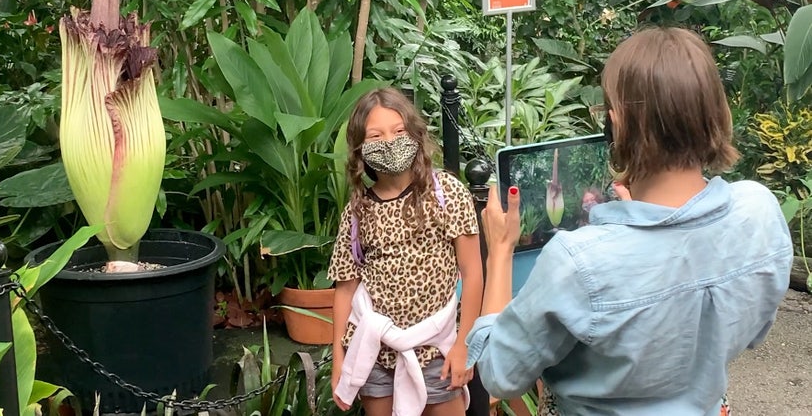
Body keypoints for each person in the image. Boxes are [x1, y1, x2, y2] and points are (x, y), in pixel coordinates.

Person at [467, 27, 793, 415]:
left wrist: (501, 250)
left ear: (618, 123)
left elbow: (500, 375)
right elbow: (750, 330)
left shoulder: (579, 261)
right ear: (715, 111)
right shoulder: (758, 212)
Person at [328, 87, 483, 416]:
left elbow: (472, 273)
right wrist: (339, 359)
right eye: (376, 135)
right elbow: (345, 287)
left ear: (414, 134)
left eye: (399, 131)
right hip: (375, 352)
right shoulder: (357, 211)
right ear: (361, 149)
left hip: (437, 348)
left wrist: (463, 345)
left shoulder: (447, 193)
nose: (390, 141)